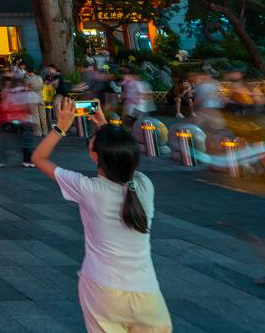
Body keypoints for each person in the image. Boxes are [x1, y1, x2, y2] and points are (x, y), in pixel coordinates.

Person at [32, 99, 171, 333]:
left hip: (102, 290)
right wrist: (106, 127)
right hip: (147, 293)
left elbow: (39, 158)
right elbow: (119, 156)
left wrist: (60, 127)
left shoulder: (88, 189)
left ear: (96, 156)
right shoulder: (145, 186)